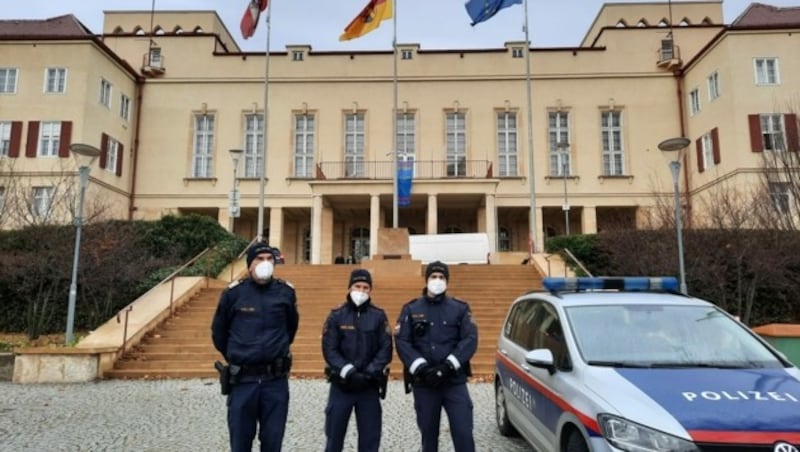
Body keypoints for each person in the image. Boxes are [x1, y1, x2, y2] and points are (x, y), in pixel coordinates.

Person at [211, 243, 299, 452]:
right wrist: (238, 355)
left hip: (275, 382)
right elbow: (219, 333)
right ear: (250, 264)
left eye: (270, 259)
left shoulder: (285, 292)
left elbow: (291, 328)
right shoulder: (234, 294)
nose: (266, 263)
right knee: (240, 443)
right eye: (260, 259)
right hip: (243, 381)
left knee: (272, 443)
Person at [395, 261, 478, 452]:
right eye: (434, 277)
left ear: (447, 281)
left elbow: (470, 339)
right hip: (425, 384)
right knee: (428, 435)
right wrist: (422, 368)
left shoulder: (460, 308)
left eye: (442, 277)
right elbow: (403, 342)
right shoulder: (411, 308)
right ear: (427, 280)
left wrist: (448, 366)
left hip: (454, 381)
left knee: (464, 432)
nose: (438, 280)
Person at [321, 269, 393, 452]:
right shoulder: (336, 315)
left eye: (365, 287)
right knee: (334, 438)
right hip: (341, 386)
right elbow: (329, 348)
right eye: (357, 286)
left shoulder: (378, 316)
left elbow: (385, 348)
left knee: (370, 440)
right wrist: (348, 371)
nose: (361, 291)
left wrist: (370, 372)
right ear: (350, 287)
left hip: (368, 387)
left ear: (370, 290)